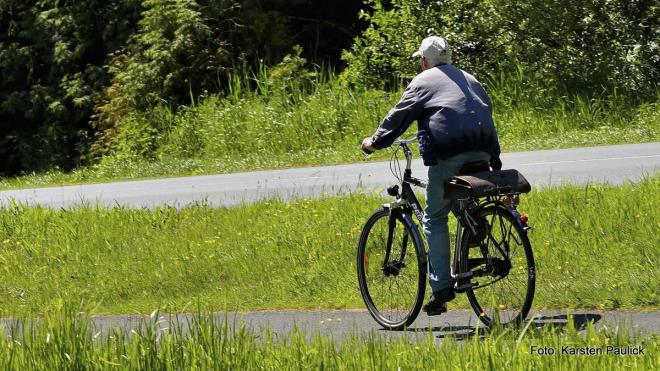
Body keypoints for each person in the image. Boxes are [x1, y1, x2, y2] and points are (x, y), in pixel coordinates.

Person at [361, 36, 502, 315]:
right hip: (484, 149)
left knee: (435, 217)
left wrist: (375, 142)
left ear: (424, 61)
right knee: (462, 193)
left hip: (452, 152)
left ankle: (441, 288)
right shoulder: (470, 78)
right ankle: (475, 224)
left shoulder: (423, 81)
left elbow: (398, 117)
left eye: (420, 60)